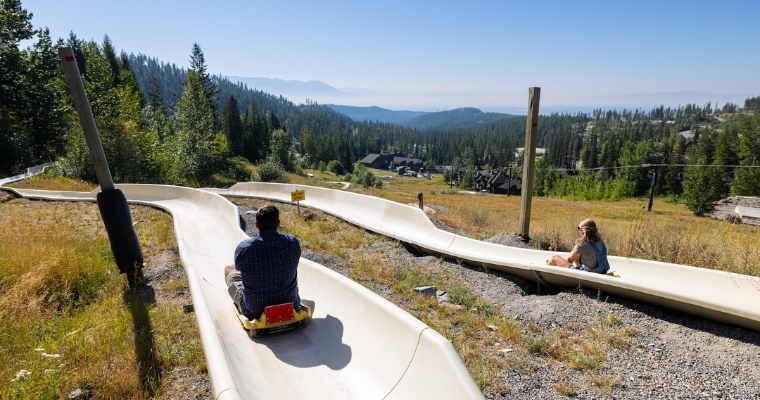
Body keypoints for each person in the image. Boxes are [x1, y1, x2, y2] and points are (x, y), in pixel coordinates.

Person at [224, 204, 301, 320]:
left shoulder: (244, 249)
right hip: (290, 303)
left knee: (229, 268)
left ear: (256, 224)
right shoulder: (292, 243)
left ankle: (243, 300)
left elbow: (239, 267)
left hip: (254, 310)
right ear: (278, 223)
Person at [546, 219, 612, 275]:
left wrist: (562, 264)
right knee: (577, 257)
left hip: (588, 274)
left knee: (555, 258)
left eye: (579, 228)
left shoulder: (582, 245)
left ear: (583, 230)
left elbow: (569, 260)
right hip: (602, 272)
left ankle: (548, 274)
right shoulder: (600, 241)